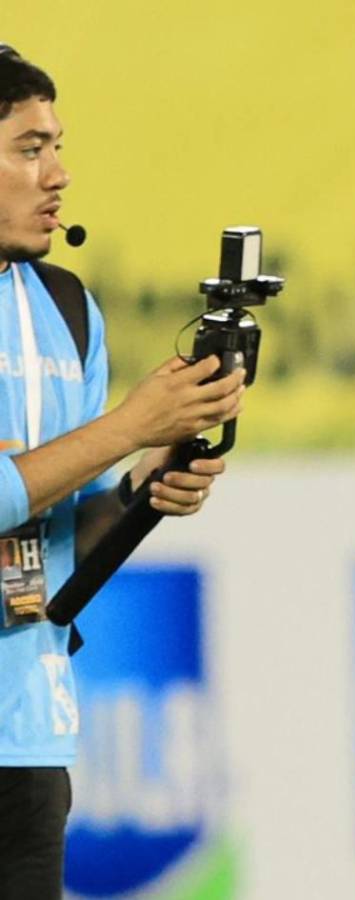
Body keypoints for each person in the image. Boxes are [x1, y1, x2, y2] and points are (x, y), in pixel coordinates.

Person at [0, 45, 243, 899]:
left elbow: (57, 546)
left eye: (57, 145)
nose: (58, 174)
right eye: (29, 149)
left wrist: (142, 486)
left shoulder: (67, 308)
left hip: (30, 740)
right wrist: (127, 426)